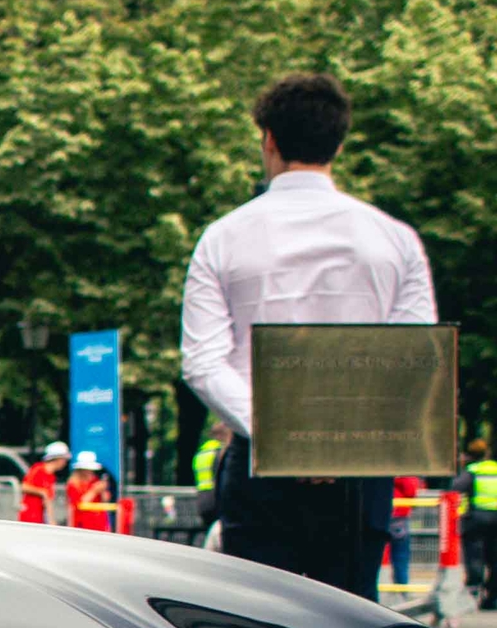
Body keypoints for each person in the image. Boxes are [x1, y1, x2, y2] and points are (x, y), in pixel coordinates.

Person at [178, 70, 436, 598]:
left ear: (268, 140)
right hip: (359, 467)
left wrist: (285, 437)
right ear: (339, 143)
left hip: (258, 464)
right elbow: (413, 361)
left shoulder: (223, 238)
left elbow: (202, 362)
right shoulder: (395, 240)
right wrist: (330, 442)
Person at [463, 432, 497, 606]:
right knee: (495, 559)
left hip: (476, 517)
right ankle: (493, 596)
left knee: (474, 556)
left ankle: (474, 590)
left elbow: (456, 487)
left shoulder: (473, 471)